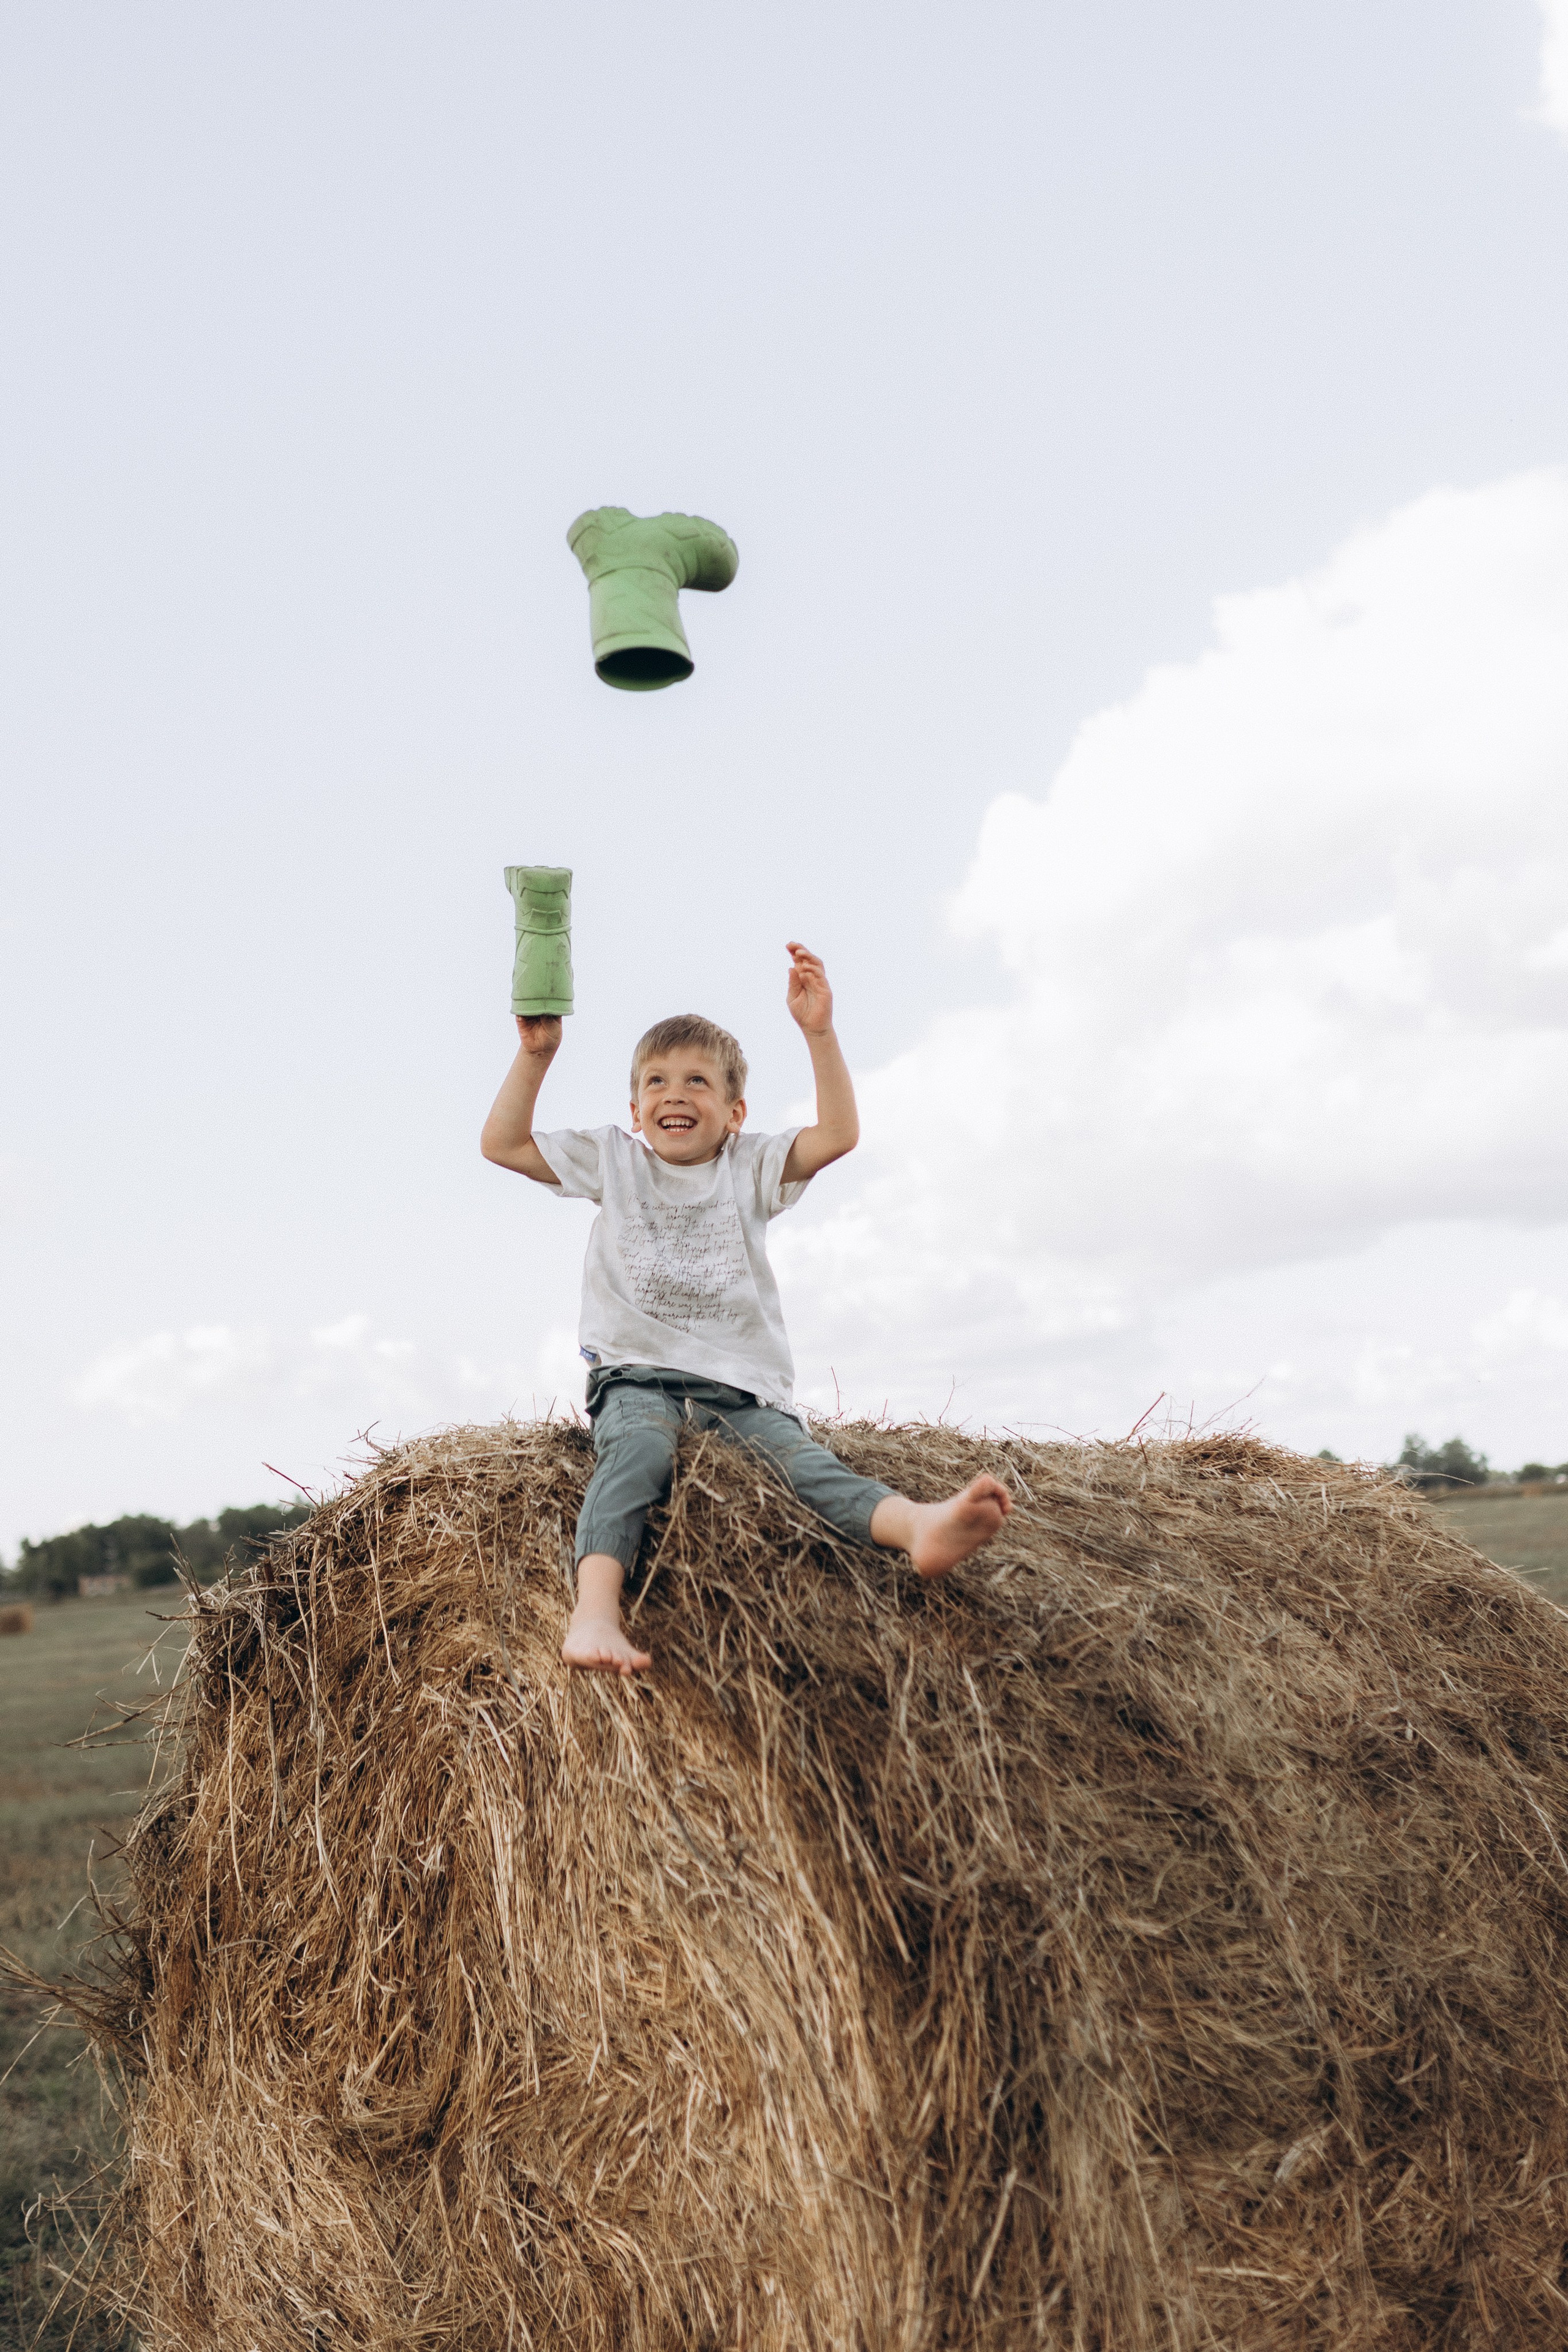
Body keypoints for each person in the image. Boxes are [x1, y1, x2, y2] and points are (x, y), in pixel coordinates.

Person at [480, 943, 1011, 1675]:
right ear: (634, 1110)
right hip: (636, 1378)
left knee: (806, 1467)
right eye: (657, 1081)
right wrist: (538, 1054)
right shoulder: (613, 1160)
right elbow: (501, 1143)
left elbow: (836, 1136)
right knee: (633, 1461)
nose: (676, 1093)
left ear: (735, 1113)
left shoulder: (749, 1167)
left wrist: (818, 1033)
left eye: (697, 1081)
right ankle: (594, 1611)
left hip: (742, 1389)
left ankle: (917, 1524)